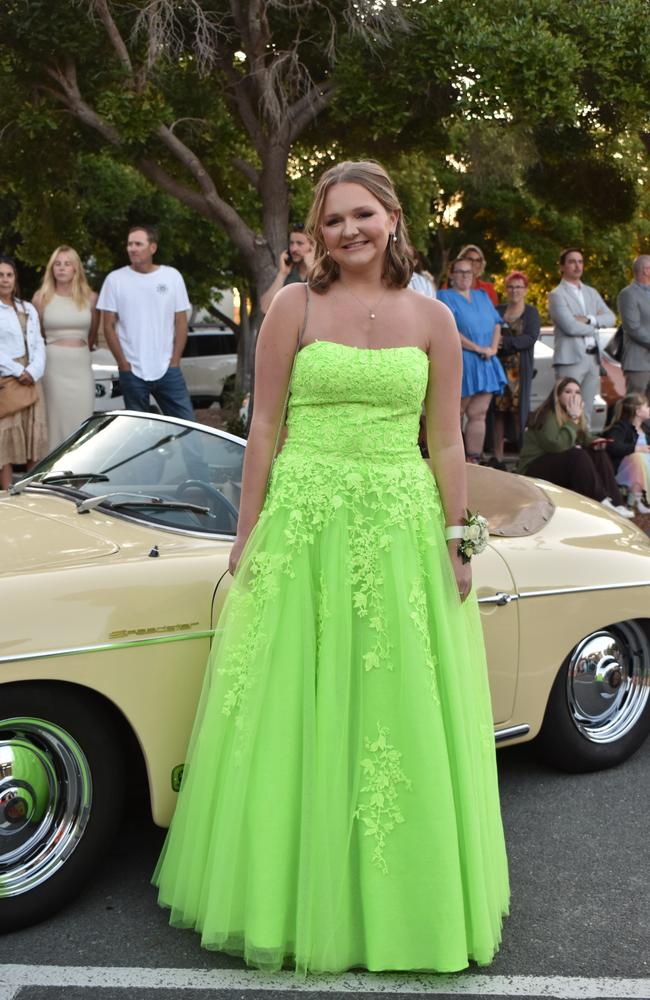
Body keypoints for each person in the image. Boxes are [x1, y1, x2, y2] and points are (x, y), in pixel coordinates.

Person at [153, 160, 509, 973]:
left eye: (363, 215)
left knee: (394, 708)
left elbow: (447, 438)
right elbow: (267, 427)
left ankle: (400, 905)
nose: (350, 230)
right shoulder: (293, 305)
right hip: (306, 523)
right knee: (295, 703)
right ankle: (286, 893)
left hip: (398, 525)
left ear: (392, 217)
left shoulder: (434, 319)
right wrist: (248, 532)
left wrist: (459, 541)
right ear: (320, 229)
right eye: (335, 218)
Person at [97, 225, 193, 419]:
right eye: (130, 244)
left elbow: (181, 323)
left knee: (188, 426)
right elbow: (107, 326)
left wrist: (174, 361)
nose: (132, 248)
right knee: (137, 432)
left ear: (152, 248)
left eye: (138, 244)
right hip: (132, 371)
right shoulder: (115, 279)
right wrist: (123, 364)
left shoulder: (172, 277)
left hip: (167, 369)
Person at [517, 378, 633, 518]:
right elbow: (557, 446)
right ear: (558, 395)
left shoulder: (572, 414)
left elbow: (583, 437)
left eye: (577, 392)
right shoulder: (546, 415)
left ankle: (616, 503)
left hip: (555, 466)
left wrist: (595, 441)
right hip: (532, 469)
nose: (573, 396)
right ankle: (601, 502)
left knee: (598, 453)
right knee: (577, 455)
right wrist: (573, 420)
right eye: (568, 391)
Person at [437, 258, 506, 462]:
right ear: (451, 275)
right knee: (456, 412)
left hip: (487, 360)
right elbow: (449, 329)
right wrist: (477, 348)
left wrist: (492, 348)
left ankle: (474, 458)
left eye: (468, 272)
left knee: (479, 413)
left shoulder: (482, 295)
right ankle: (453, 459)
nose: (465, 276)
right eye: (459, 272)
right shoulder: (444, 296)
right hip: (463, 359)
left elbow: (496, 323)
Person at [33, 246, 99, 450]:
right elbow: (37, 335)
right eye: (57, 264)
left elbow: (93, 334)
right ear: (52, 268)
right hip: (53, 366)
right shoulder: (41, 298)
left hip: (80, 364)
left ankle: (80, 473)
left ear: (76, 268)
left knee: (82, 418)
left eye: (67, 263)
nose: (62, 268)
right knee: (55, 420)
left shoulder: (91, 298)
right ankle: (54, 475)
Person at [548, 248, 615, 423]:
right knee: (567, 407)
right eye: (572, 262)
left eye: (580, 261)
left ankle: (582, 447)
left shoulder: (591, 292)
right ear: (562, 267)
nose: (577, 266)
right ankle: (567, 448)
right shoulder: (557, 295)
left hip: (592, 358)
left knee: (586, 408)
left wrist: (589, 319)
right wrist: (595, 326)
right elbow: (569, 326)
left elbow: (611, 318)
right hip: (571, 359)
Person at [0, 256, 47, 490]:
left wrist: (34, 371)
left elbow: (39, 342)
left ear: (15, 278)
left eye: (9, 275)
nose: (5, 280)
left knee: (33, 436)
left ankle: (32, 492)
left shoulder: (27, 308)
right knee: (5, 440)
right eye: (1, 275)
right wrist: (18, 370)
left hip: (31, 378)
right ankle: (6, 494)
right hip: (7, 378)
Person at [493, 271, 540, 460]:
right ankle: (498, 457)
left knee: (518, 413)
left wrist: (504, 342)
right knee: (497, 413)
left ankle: (523, 456)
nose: (515, 291)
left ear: (526, 290)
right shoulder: (497, 310)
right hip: (497, 370)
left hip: (519, 371)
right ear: (505, 289)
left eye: (519, 287)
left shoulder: (531, 312)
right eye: (511, 287)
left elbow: (530, 338)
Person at [606, 393, 650, 514]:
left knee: (642, 458)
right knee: (638, 458)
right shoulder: (621, 427)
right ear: (638, 411)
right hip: (624, 467)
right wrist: (636, 448)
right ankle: (634, 501)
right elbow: (613, 446)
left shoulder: (645, 429)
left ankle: (638, 499)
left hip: (643, 465)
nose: (649, 409)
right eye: (647, 406)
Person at [259, 223, 315, 314]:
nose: (293, 249)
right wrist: (282, 273)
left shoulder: (324, 272)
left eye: (299, 243)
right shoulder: (287, 272)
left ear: (313, 247)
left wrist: (312, 269)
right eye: (291, 243)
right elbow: (265, 308)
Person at [617, 255, 650, 398]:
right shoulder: (628, 294)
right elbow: (633, 328)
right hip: (638, 363)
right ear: (646, 270)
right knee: (635, 409)